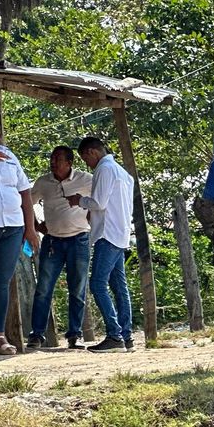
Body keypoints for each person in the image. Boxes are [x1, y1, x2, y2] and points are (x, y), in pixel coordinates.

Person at [27, 145, 92, 350]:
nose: (53, 162)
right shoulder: (43, 181)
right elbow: (27, 203)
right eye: (52, 158)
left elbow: (102, 200)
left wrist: (93, 220)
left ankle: (75, 335)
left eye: (57, 158)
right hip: (52, 241)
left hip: (79, 239)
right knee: (44, 289)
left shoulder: (86, 179)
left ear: (69, 162)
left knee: (77, 288)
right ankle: (36, 335)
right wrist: (36, 226)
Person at [78, 135, 136, 353]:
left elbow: (98, 203)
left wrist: (80, 201)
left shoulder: (104, 169)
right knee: (119, 286)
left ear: (92, 152)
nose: (87, 164)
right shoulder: (123, 172)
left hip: (106, 233)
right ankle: (127, 335)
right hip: (120, 232)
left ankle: (114, 334)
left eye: (85, 159)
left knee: (97, 284)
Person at [0, 142, 40, 357]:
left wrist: (30, 229)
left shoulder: (9, 156)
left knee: (1, 282)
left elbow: (25, 194)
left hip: (12, 227)